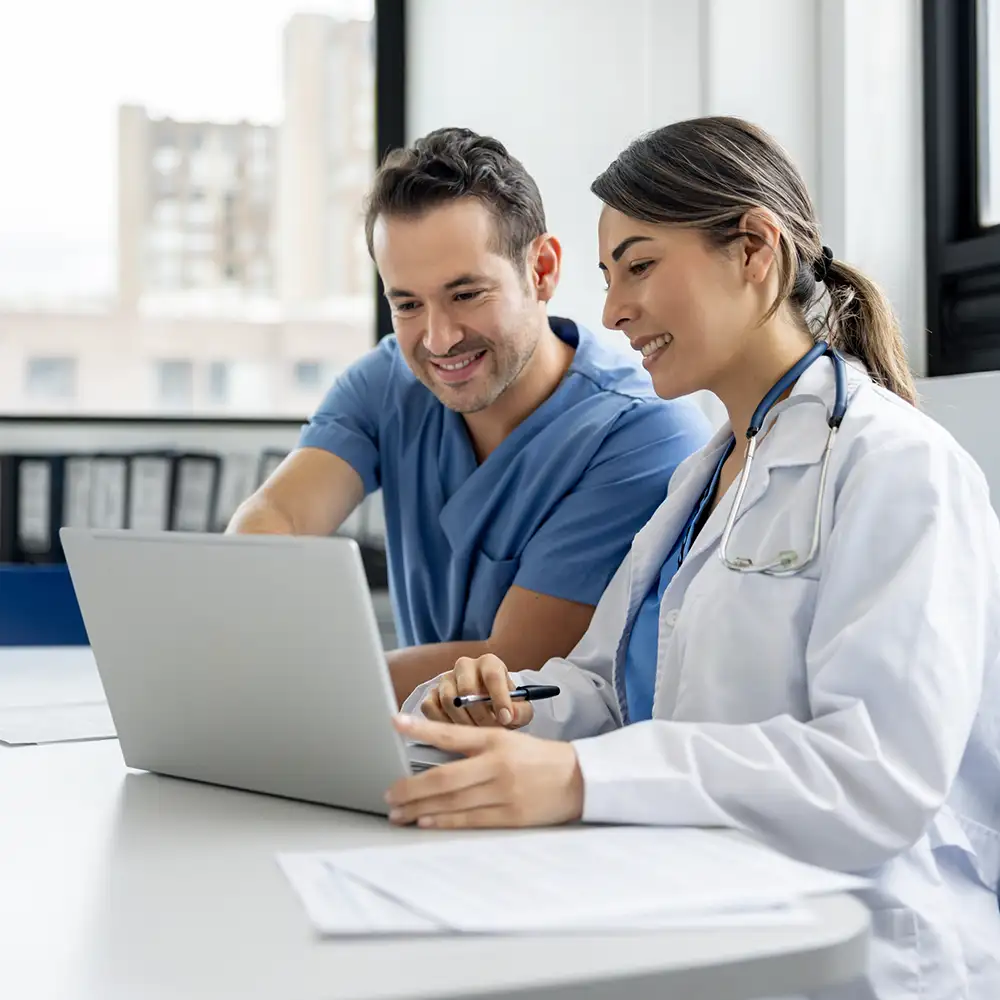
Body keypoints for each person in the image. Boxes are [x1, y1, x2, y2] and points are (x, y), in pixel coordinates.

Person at [387, 117, 1000, 1000]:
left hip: (865, 953)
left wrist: (577, 776)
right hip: (699, 918)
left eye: (639, 266)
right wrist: (500, 708)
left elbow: (877, 776)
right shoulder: (703, 477)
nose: (611, 311)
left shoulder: (899, 467)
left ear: (753, 247)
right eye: (607, 278)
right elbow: (608, 688)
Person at [227, 127, 710, 705]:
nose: (438, 339)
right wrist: (243, 620)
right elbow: (278, 514)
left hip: (556, 767)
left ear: (543, 270)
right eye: (406, 304)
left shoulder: (642, 433)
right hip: (413, 747)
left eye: (465, 294)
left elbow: (514, 658)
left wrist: (287, 678)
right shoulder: (389, 383)